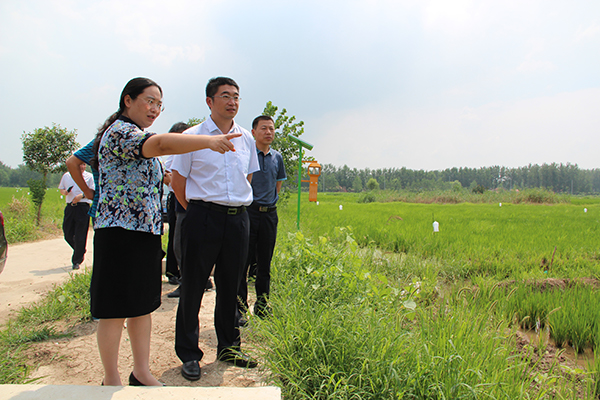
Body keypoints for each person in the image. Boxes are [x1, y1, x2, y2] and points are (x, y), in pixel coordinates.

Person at [89, 77, 239, 387]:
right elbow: (160, 144)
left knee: (142, 305)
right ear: (127, 100)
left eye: (159, 104)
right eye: (149, 101)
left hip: (144, 232)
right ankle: (111, 378)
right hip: (118, 232)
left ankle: (141, 371)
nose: (155, 108)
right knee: (115, 308)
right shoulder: (120, 133)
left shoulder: (136, 134)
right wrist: (207, 141)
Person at [171, 76, 259, 381]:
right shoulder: (191, 137)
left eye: (236, 96)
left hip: (237, 220)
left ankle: (229, 346)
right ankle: (189, 353)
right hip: (201, 217)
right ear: (210, 102)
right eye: (225, 96)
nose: (232, 101)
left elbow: (246, 180)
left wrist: (231, 207)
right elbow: (178, 183)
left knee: (232, 285)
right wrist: (199, 211)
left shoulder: (246, 138)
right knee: (194, 285)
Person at [237, 115, 286, 324]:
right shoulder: (248, 155)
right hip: (249, 213)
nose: (268, 132)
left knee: (264, 263)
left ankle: (263, 306)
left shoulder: (277, 157)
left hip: (269, 215)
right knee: (243, 262)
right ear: (253, 132)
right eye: (264, 128)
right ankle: (239, 309)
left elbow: (277, 184)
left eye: (272, 129)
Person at [58, 164, 94, 270]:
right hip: (70, 207)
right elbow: (61, 189)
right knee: (67, 233)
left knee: (80, 235)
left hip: (83, 207)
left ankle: (76, 261)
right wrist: (65, 192)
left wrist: (81, 196)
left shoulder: (89, 177)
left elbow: (92, 191)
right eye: (79, 165)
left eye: (83, 165)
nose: (82, 167)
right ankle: (80, 250)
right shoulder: (67, 176)